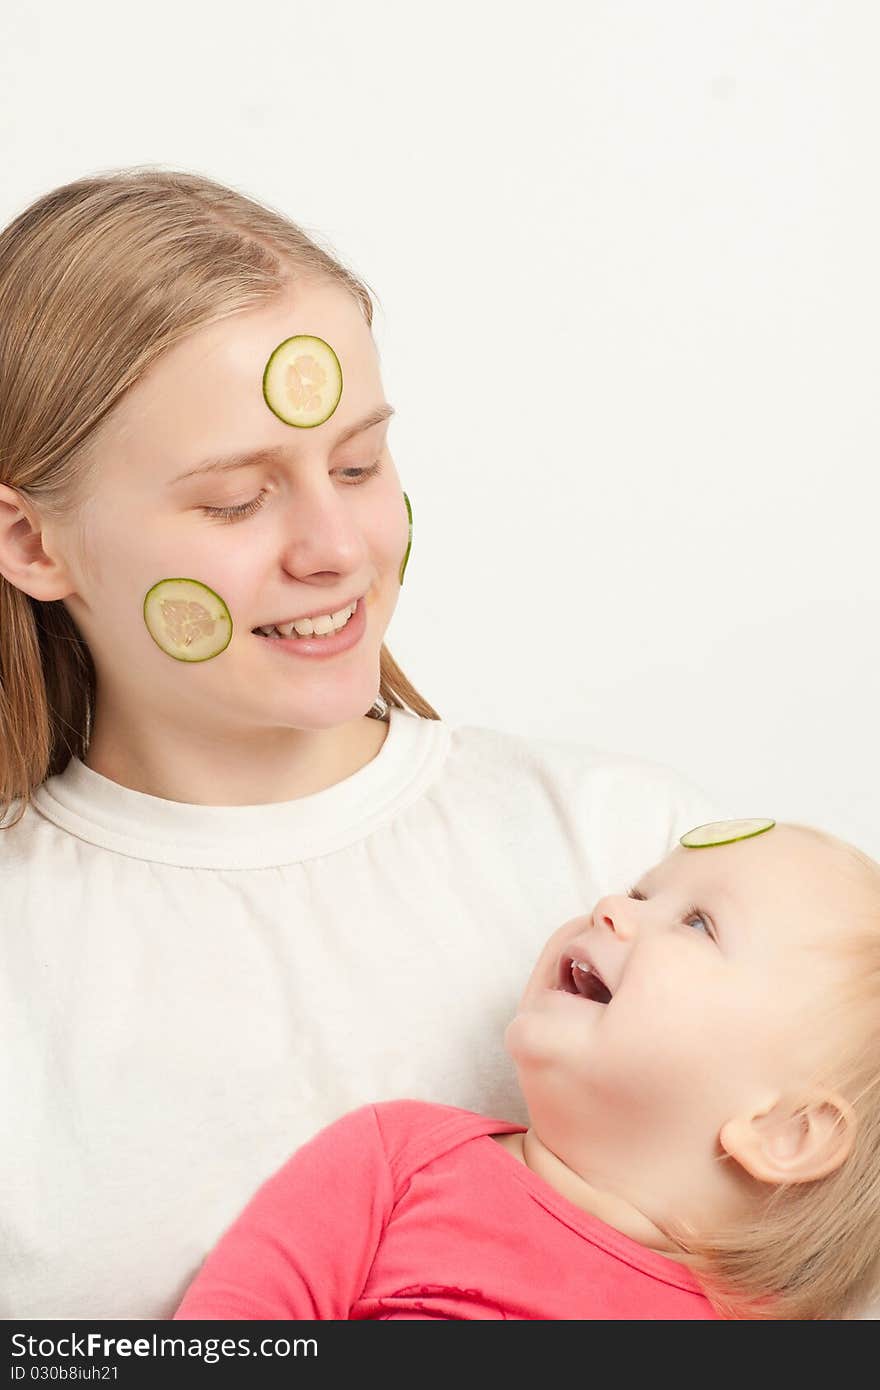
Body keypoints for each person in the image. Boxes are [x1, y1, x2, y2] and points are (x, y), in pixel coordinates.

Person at [0, 166, 722, 1320]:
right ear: (32, 541)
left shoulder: (644, 865)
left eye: (356, 464)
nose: (334, 547)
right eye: (236, 500)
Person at [173, 822, 880, 1321]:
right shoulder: (401, 1158)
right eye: (639, 893)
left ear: (787, 1132)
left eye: (698, 924)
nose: (611, 909)